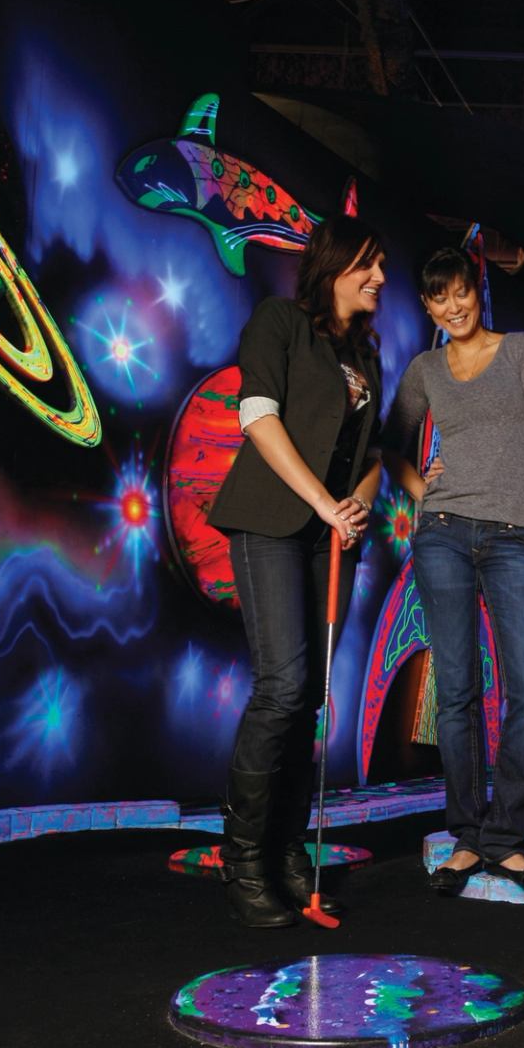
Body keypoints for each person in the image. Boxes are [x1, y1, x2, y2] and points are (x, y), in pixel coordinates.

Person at [206, 215, 386, 928]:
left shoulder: (367, 355)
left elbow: (369, 459)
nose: (379, 278)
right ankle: (243, 858)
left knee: (309, 696)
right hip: (270, 520)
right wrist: (323, 503)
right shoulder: (280, 321)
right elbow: (258, 417)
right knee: (281, 685)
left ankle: (284, 852)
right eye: (368, 264)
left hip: (328, 539)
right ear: (335, 266)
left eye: (382, 267)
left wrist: (357, 509)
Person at [383, 247, 524, 895]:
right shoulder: (425, 368)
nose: (453, 306)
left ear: (476, 289)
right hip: (441, 532)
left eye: (460, 292)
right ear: (427, 306)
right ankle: (469, 836)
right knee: (457, 690)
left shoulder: (522, 350)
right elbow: (391, 441)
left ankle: (506, 837)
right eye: (439, 298)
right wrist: (418, 486)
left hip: (516, 536)